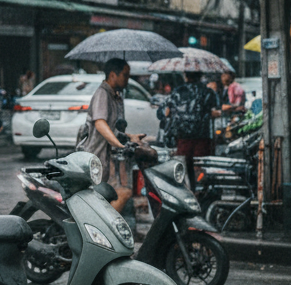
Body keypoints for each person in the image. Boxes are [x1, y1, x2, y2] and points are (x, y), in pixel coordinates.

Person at [76, 58, 147, 213]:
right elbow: (100, 124)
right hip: (94, 160)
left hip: (104, 163)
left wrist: (129, 137)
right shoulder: (102, 94)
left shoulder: (114, 96)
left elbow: (111, 129)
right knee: (122, 194)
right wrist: (118, 144)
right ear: (113, 75)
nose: (128, 79)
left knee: (103, 202)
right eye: (125, 75)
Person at [164, 71, 220, 183]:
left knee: (182, 168)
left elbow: (167, 113)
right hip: (202, 137)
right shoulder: (208, 92)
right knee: (200, 168)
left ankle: (186, 192)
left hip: (182, 136)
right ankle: (200, 193)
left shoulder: (177, 92)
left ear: (185, 75)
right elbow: (215, 112)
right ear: (200, 76)